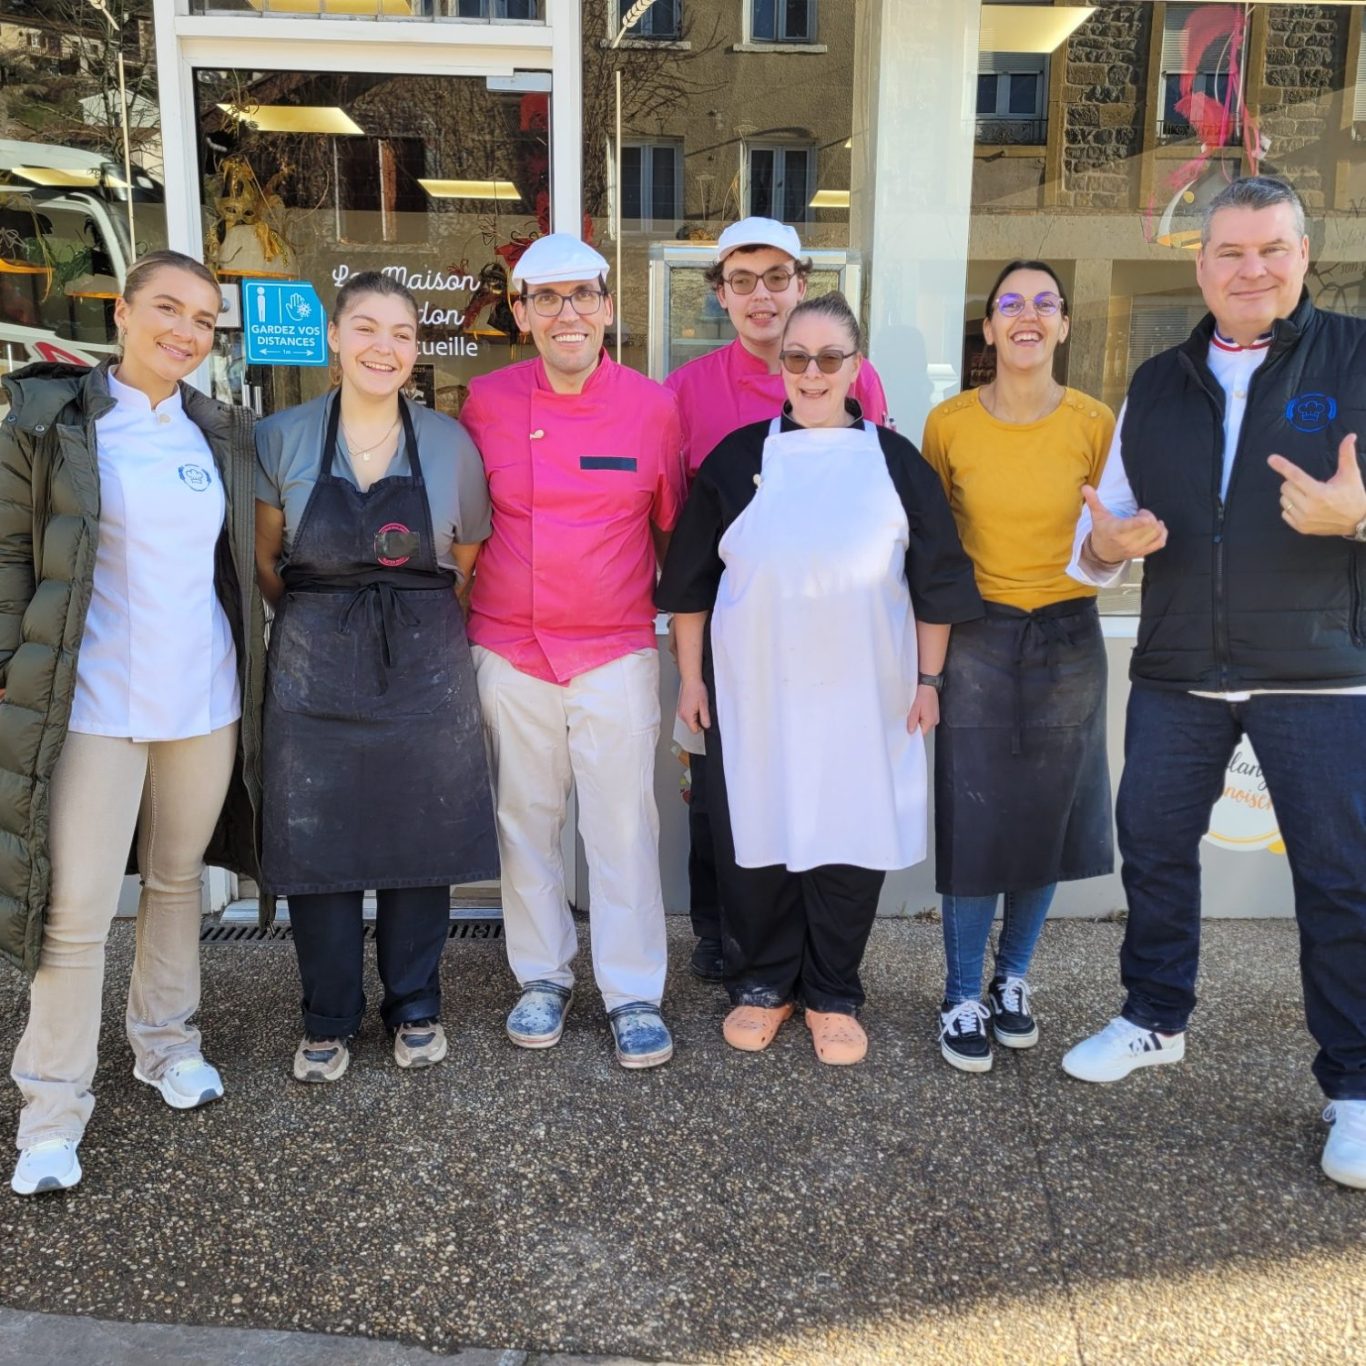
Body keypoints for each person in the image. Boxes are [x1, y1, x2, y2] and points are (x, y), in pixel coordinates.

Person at [1059, 177, 1366, 1191]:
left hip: (1320, 672)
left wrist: (1357, 519)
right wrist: (1106, 547)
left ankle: (1355, 1086)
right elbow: (1097, 538)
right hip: (1179, 668)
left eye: (1271, 248)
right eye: (1229, 251)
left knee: (1340, 881)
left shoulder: (1357, 358)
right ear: (1200, 266)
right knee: (1151, 847)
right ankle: (1154, 1017)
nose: (1251, 269)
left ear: (1304, 255)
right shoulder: (1156, 382)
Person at [657, 292, 981, 1065]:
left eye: (829, 357)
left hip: (867, 693)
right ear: (782, 365)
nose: (811, 372)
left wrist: (928, 680)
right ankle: (765, 983)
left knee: (849, 835)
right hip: (753, 690)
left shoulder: (896, 463)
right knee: (757, 831)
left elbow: (937, 582)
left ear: (855, 366)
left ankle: (833, 992)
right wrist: (692, 681)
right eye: (797, 357)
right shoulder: (738, 459)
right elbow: (690, 585)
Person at [1, 250, 264, 1195]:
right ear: (122, 312)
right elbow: (10, 553)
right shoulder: (51, 421)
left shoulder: (218, 432)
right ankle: (50, 1112)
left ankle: (165, 1045)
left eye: (202, 318)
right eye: (167, 309)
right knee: (74, 913)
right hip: (94, 702)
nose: (184, 332)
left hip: (202, 698)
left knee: (177, 880)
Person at [255, 271, 497, 1084]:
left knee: (420, 836)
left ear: (416, 348)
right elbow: (266, 561)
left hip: (424, 667)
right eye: (365, 327)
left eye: (400, 333)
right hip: (312, 668)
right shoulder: (282, 437)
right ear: (334, 337)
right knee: (314, 838)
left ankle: (416, 1005)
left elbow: (463, 563)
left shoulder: (450, 444)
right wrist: (329, 623)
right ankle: (326, 1017)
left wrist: (402, 623)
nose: (382, 347)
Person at [461, 234, 685, 1070]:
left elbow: (671, 532)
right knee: (525, 819)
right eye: (547, 298)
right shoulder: (483, 402)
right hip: (511, 648)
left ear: (608, 307)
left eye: (583, 295)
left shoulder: (653, 407)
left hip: (613, 649)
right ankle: (541, 976)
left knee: (623, 824)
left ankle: (633, 991)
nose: (568, 314)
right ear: (520, 315)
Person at [664, 217, 891, 983]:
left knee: (820, 784)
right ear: (720, 295)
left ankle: (809, 949)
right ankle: (719, 931)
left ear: (801, 285)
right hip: (730, 632)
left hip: (833, 635)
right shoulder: (686, 391)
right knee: (718, 789)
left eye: (775, 279)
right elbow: (678, 523)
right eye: (741, 281)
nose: (760, 296)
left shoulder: (859, 378)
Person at [921, 261, 1115, 1073]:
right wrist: (926, 668)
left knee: (1046, 819)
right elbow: (932, 553)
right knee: (974, 823)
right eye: (1010, 303)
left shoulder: (1097, 422)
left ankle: (1012, 981)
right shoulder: (948, 424)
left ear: (1064, 324)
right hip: (977, 637)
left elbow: (1109, 540)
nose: (1027, 314)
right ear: (990, 328)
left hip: (1068, 636)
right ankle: (960, 994)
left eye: (1044, 302)